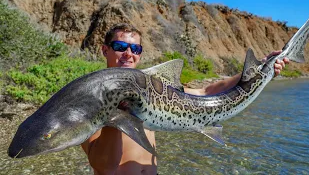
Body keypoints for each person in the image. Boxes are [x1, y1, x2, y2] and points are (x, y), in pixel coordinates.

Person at [81, 23, 290, 175]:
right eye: (120, 47)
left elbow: (205, 93)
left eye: (135, 49)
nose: (128, 54)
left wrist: (259, 69)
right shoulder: (88, 99)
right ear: (105, 50)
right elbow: (104, 166)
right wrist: (117, 107)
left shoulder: (152, 89)